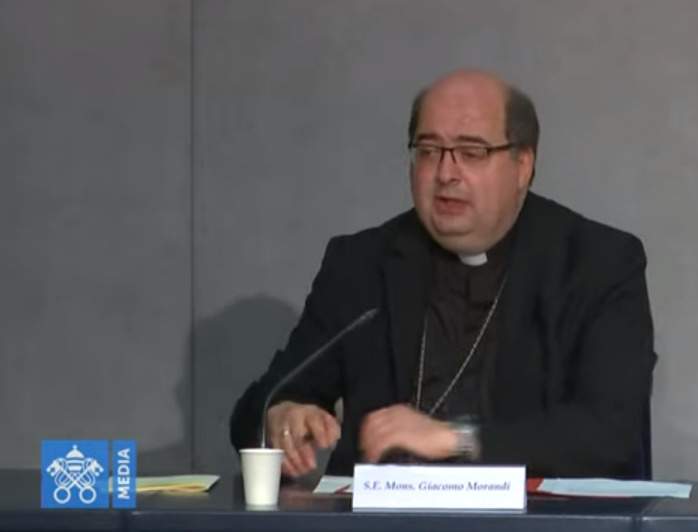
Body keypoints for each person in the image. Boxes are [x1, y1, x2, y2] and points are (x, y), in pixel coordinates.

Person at [229, 68, 657, 480]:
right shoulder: (361, 263)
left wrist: (457, 438)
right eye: (429, 151)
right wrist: (279, 415)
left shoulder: (596, 263)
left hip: (533, 516)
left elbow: (609, 432)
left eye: (472, 153)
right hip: (383, 518)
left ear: (523, 165)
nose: (446, 174)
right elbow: (262, 403)